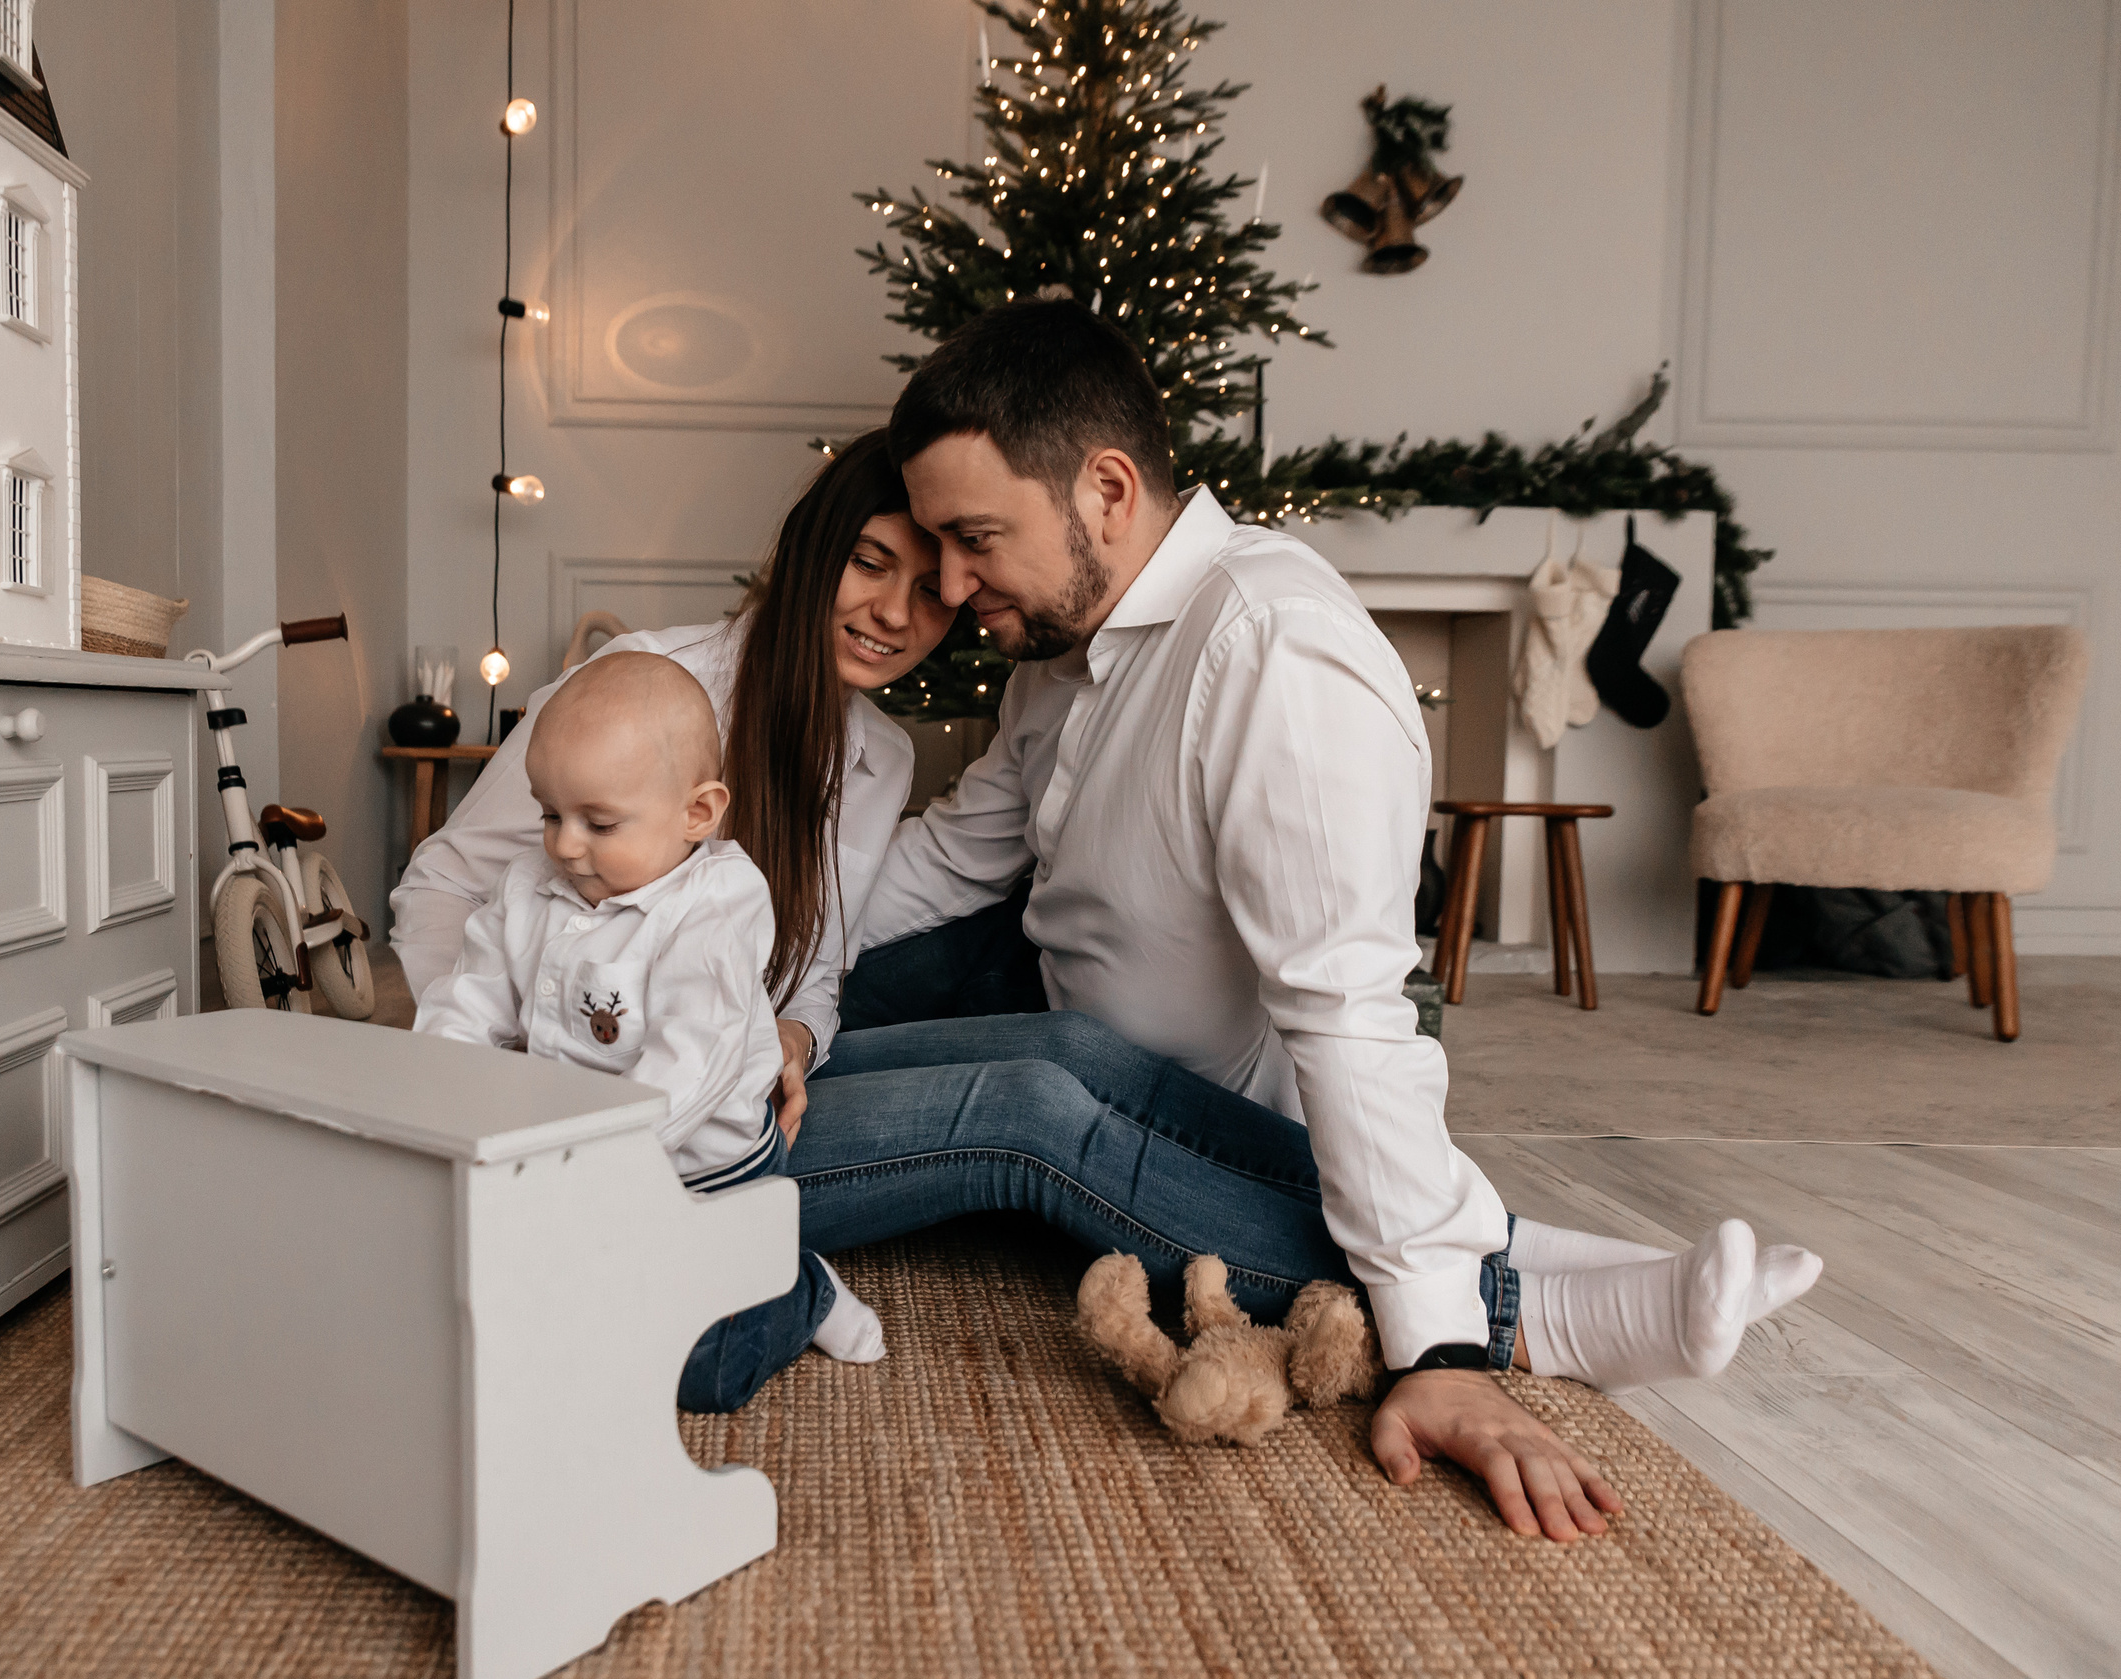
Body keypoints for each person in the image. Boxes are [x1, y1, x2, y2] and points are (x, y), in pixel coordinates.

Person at [782, 299, 1822, 1542]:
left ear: (1106, 491)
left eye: (974, 540)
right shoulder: (1062, 654)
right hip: (1093, 1039)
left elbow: (1349, 1009)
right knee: (1053, 1064)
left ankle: (1499, 1310)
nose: (948, 587)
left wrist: (1435, 1346)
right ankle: (1516, 1254)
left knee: (1036, 1107)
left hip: (1210, 1106)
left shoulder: (1273, 655)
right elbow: (958, 856)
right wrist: (760, 954)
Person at [390, 428, 957, 1135]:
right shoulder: (637, 688)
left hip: (753, 1088)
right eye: (869, 563)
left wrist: (795, 1039)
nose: (896, 614)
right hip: (597, 1116)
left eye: (933, 592)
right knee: (1029, 1115)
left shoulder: (886, 759)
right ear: (813, 549)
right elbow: (444, 881)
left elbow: (815, 970)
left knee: (1068, 1052)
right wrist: (491, 1080)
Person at [412, 650, 886, 1411]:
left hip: (706, 1169)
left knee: (701, 1372)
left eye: (598, 822)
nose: (565, 844)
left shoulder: (718, 905)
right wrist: (443, 1101)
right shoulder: (530, 888)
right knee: (513, 1317)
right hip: (561, 1162)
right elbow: (466, 1000)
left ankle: (799, 1289)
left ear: (696, 813)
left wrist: (591, 1157)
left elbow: (689, 1062)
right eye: (549, 813)